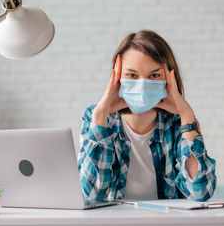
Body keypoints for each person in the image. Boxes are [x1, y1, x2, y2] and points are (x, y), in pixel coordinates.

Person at [78, 30, 216, 202]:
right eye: (132, 75)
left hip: (167, 225)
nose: (142, 85)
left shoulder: (177, 122)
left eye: (154, 75)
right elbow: (89, 195)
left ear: (169, 79)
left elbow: (200, 193)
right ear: (116, 77)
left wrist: (187, 115)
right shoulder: (95, 117)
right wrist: (100, 115)